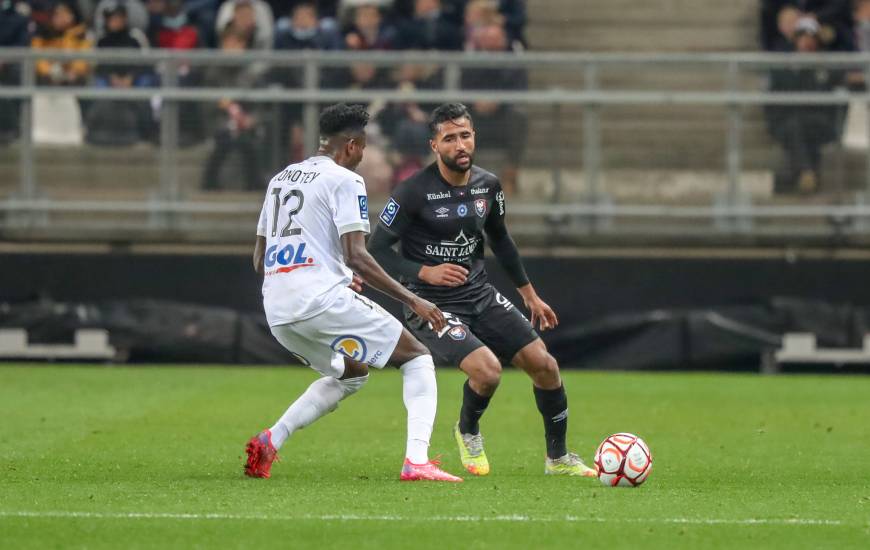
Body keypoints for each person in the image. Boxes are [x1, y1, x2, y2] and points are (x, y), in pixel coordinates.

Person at [368, 103, 596, 478]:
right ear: (434, 145)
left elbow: (501, 240)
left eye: (465, 135)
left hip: (480, 293)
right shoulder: (412, 192)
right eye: (450, 138)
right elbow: (376, 251)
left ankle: (558, 459)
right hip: (430, 304)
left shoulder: (487, 185)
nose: (460, 145)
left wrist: (529, 294)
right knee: (488, 372)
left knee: (545, 365)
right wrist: (424, 272)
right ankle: (468, 429)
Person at [244, 103, 462, 483]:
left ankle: (269, 440)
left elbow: (259, 259)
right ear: (350, 145)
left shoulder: (281, 178)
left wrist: (333, 270)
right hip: (319, 300)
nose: (362, 156)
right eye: (362, 147)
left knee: (353, 373)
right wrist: (414, 299)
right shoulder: (345, 180)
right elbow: (358, 255)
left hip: (278, 310)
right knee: (417, 358)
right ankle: (417, 460)